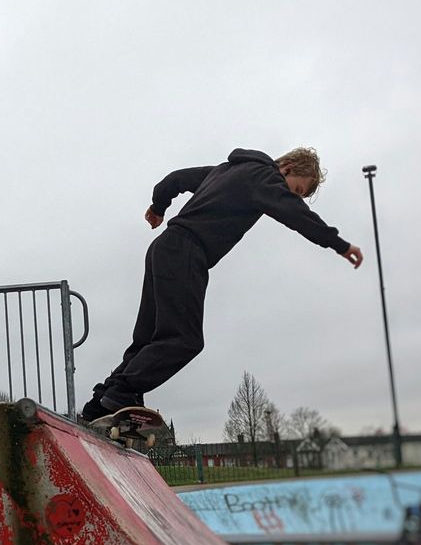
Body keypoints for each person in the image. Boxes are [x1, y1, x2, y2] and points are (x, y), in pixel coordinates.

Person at [79, 148, 363, 424]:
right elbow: (295, 215)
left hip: (163, 247)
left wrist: (158, 207)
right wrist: (338, 244)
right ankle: (123, 392)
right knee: (184, 339)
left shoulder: (225, 171)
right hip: (186, 253)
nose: (292, 197)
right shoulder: (265, 177)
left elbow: (175, 180)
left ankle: (100, 403)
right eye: (297, 190)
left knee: (148, 338)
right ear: (287, 169)